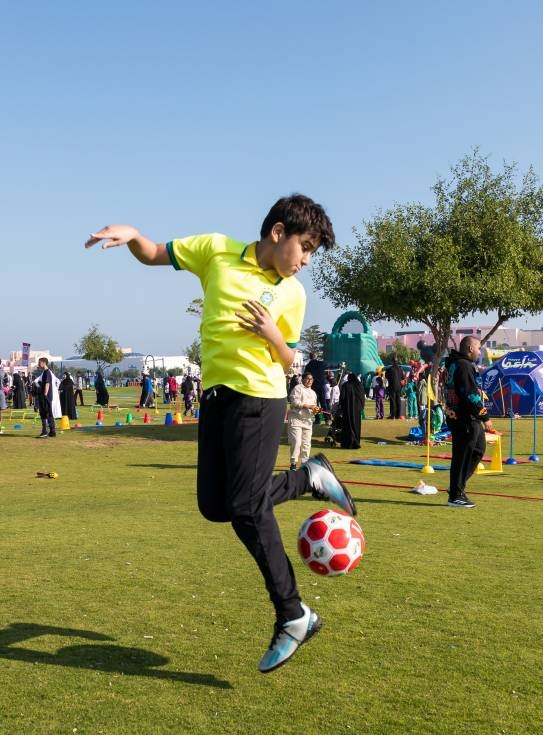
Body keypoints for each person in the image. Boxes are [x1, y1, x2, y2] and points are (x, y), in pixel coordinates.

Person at [85, 193, 356, 674]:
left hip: (259, 397)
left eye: (313, 252)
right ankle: (306, 478)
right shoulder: (216, 251)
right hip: (215, 397)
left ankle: (293, 614)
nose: (306, 261)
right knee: (216, 506)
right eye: (305, 247)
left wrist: (272, 334)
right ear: (278, 232)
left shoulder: (293, 294)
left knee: (247, 508)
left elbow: (292, 361)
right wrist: (131, 235)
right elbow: (154, 253)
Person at [443, 336, 493, 508]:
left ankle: (457, 486)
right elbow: (469, 394)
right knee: (462, 455)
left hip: (464, 417)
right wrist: (484, 416)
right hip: (463, 418)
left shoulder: (458, 363)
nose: (480, 352)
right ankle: (456, 495)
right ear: (470, 349)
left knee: (478, 448)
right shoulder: (463, 366)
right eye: (479, 348)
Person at [287, 372, 320, 470]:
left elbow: (313, 407)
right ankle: (293, 463)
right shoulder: (298, 388)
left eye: (311, 379)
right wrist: (308, 406)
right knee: (296, 442)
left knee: (306, 444)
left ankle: (305, 464)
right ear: (303, 379)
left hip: (308, 420)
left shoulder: (313, 393)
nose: (310, 381)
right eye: (308, 379)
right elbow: (294, 402)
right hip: (296, 419)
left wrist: (315, 410)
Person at [337, 371, 364, 449]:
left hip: (347, 408)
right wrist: (361, 407)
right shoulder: (359, 385)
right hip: (357, 409)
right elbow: (362, 397)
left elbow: (342, 397)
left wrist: (341, 406)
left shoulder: (345, 385)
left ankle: (348, 443)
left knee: (347, 425)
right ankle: (356, 442)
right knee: (356, 425)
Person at [34, 358, 61, 438]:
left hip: (46, 396)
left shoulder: (47, 372)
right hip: (46, 396)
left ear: (44, 363)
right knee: (47, 413)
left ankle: (45, 432)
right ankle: (52, 432)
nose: (39, 364)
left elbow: (47, 384)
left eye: (39, 362)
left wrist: (45, 394)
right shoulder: (45, 372)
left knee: (45, 413)